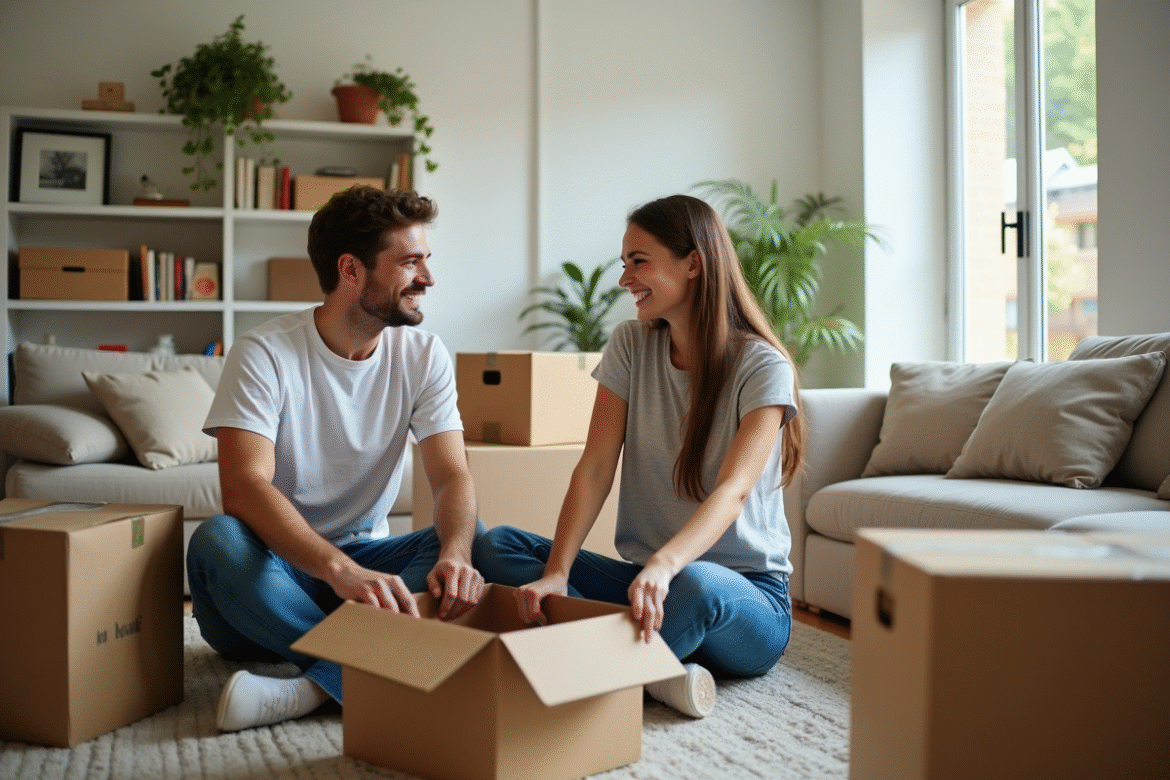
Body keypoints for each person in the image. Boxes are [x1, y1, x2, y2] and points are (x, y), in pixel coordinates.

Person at [473, 193, 803, 718]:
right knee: (496, 546)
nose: (625, 279)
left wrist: (666, 564)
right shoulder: (631, 344)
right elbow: (596, 466)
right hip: (646, 583)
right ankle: (657, 672)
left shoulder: (763, 367)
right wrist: (558, 571)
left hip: (741, 598)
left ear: (693, 262)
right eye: (624, 264)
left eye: (639, 261)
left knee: (695, 586)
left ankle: (595, 674)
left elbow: (733, 491)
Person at [187, 186, 484, 732]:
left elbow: (451, 475)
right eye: (410, 262)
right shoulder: (264, 353)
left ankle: (318, 687)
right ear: (351, 270)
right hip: (276, 573)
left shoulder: (423, 355)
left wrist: (457, 554)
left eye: (426, 260)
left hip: (367, 573)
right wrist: (338, 571)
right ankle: (391, 662)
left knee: (472, 539)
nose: (428, 278)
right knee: (217, 541)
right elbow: (244, 487)